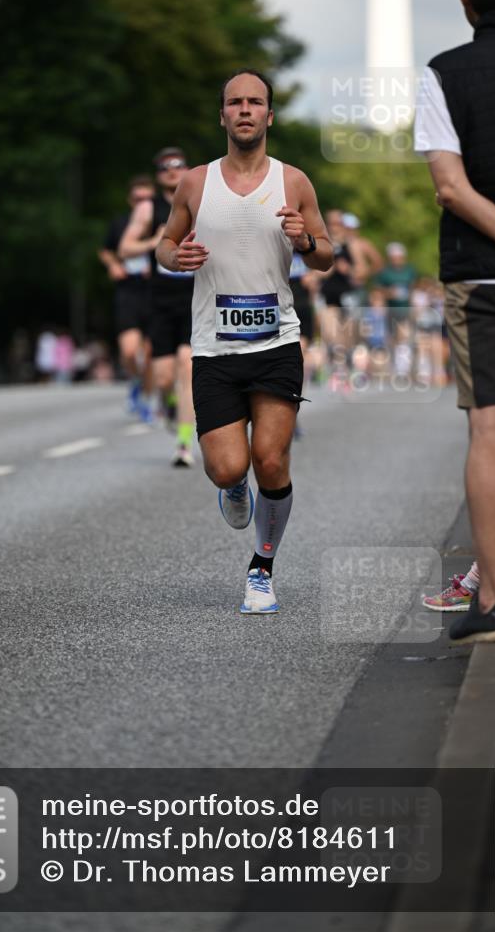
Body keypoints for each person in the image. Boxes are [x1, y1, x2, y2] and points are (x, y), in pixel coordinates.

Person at [156, 69, 333, 612]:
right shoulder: (195, 183)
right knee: (228, 467)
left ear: (269, 116)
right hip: (214, 347)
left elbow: (326, 254)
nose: (245, 110)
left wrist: (306, 240)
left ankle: (261, 569)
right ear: (223, 116)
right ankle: (233, 488)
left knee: (271, 462)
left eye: (255, 102)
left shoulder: (293, 181)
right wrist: (175, 257)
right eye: (235, 103)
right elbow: (165, 243)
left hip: (277, 342)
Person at [414, 0, 495, 643]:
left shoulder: (443, 74)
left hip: (482, 277)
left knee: (491, 429)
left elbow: (450, 187)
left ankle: (493, 602)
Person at [119, 149, 195, 467]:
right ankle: (170, 403)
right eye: (165, 167)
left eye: (178, 165)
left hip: (195, 298)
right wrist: (155, 242)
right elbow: (124, 248)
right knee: (163, 378)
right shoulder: (148, 208)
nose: (172, 171)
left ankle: (184, 444)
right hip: (160, 301)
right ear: (158, 174)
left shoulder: (201, 202)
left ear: (187, 169)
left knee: (187, 366)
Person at [98, 176, 156, 420]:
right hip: (128, 290)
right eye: (137, 198)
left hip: (154, 292)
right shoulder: (120, 223)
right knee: (130, 351)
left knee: (151, 354)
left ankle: (147, 399)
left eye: (147, 198)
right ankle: (135, 380)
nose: (142, 203)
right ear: (129, 200)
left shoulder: (162, 223)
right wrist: (113, 265)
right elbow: (105, 250)